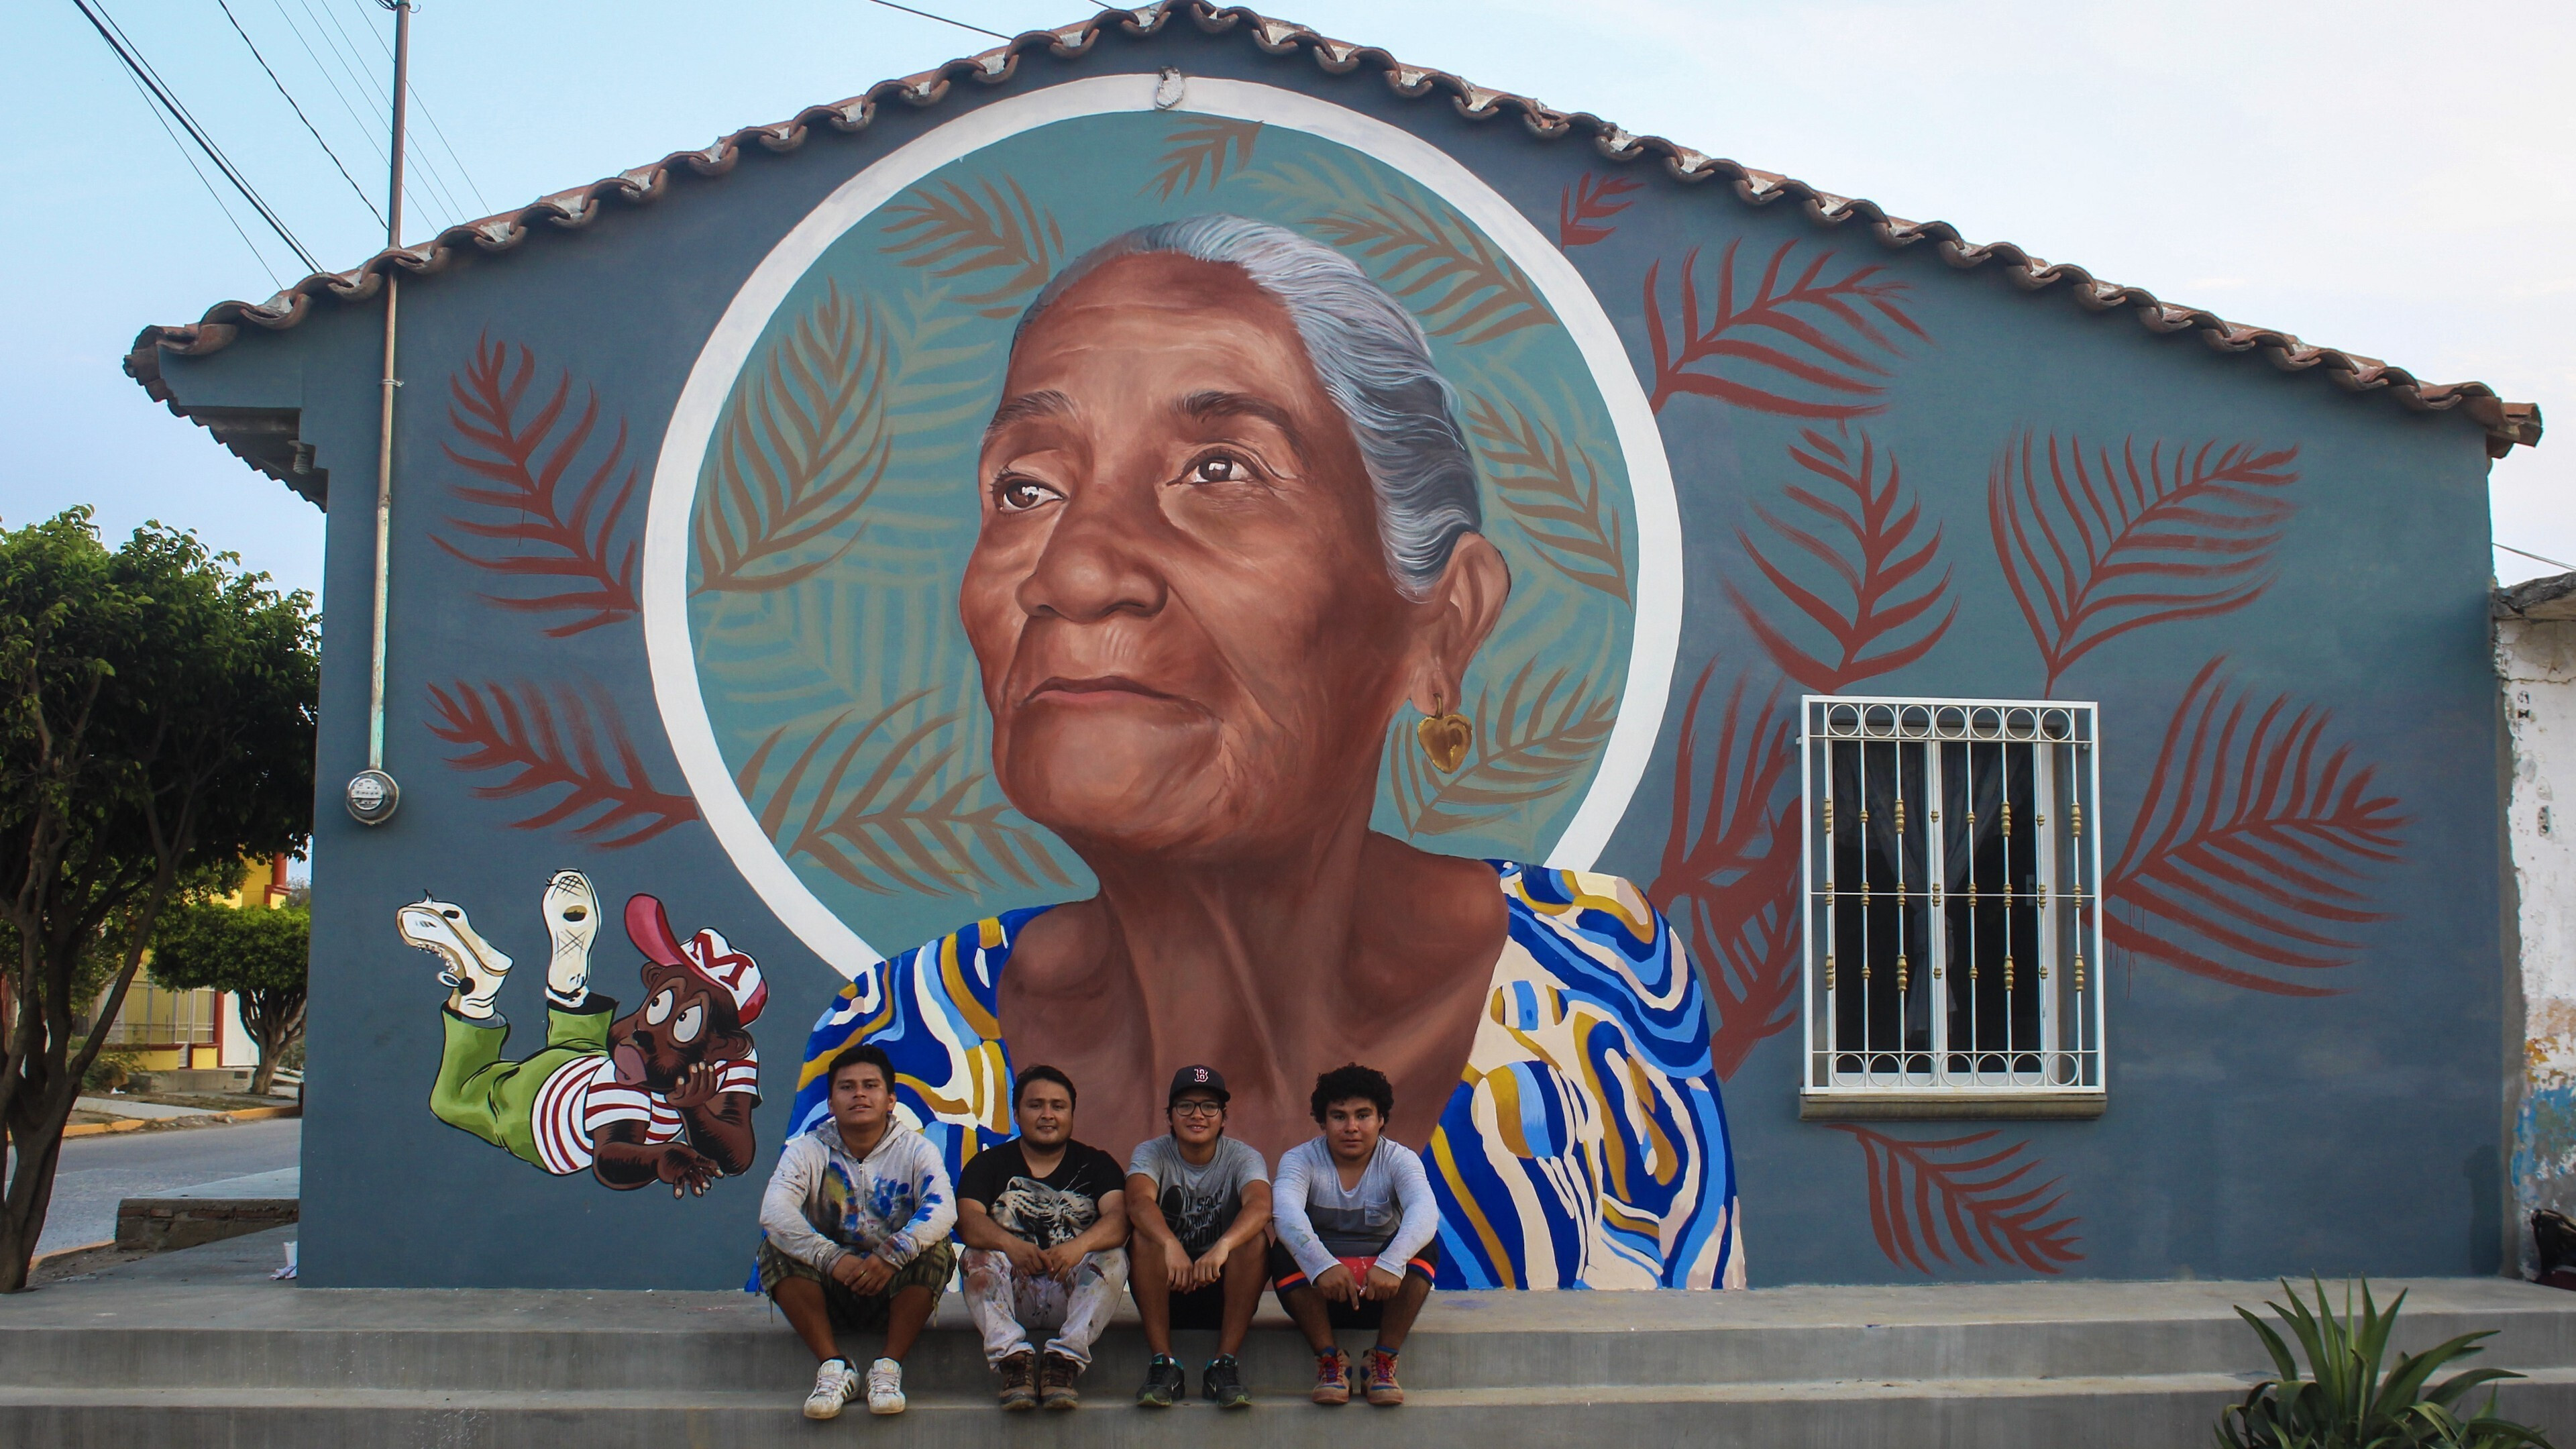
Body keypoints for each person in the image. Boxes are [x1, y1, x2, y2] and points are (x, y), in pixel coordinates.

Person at [792, 213, 1743, 1291]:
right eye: (1026, 489)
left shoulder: (1605, 989)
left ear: (1442, 624)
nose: (1077, 570)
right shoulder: (887, 1048)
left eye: (1219, 467)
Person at [755, 1042, 955, 1420]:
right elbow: (774, 1211)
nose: (859, 1094)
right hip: (827, 1295)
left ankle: (888, 1368)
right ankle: (834, 1367)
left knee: (936, 1246)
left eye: (870, 1086)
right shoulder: (807, 1151)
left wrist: (892, 1256)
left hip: (894, 1290)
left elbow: (943, 1208)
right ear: (831, 1103)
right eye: (847, 1087)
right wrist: (831, 1259)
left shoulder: (917, 1150)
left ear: (890, 1099)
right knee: (775, 1246)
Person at [954, 1065, 1130, 1411]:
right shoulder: (988, 1164)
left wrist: (1078, 1247)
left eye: (1058, 1106)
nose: (1047, 1115)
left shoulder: (1097, 1164)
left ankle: (1064, 1360)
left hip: (1072, 1293)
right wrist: (1012, 1246)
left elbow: (1120, 1220)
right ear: (1017, 1113)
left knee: (1114, 1257)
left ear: (1071, 1114)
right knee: (975, 1256)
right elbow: (968, 1221)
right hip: (1012, 1293)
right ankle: (1013, 1361)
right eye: (1036, 1106)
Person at [1271, 1064, 1440, 1407]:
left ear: (1381, 1119)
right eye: (1338, 1116)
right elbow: (1285, 1215)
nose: (1351, 1127)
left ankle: (1383, 1361)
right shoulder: (1299, 1160)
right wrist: (1321, 1267)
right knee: (1281, 1249)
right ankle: (1330, 1361)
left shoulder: (1400, 1160)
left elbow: (1425, 1213)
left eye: (1363, 1115)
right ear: (1322, 1121)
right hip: (1323, 1295)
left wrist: (1392, 1264)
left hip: (1384, 1294)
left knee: (1427, 1248)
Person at [1125, 1065, 1272, 1409]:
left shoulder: (1243, 1156)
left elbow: (1261, 1206)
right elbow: (1137, 1201)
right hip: (1166, 1288)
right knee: (1144, 1238)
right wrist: (1170, 1245)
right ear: (1170, 1116)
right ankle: (1163, 1364)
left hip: (1222, 1288)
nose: (1198, 1115)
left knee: (1255, 1241)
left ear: (1223, 1117)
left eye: (1209, 1106)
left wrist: (1222, 1247)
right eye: (1186, 1106)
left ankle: (1224, 1363)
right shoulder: (1152, 1152)